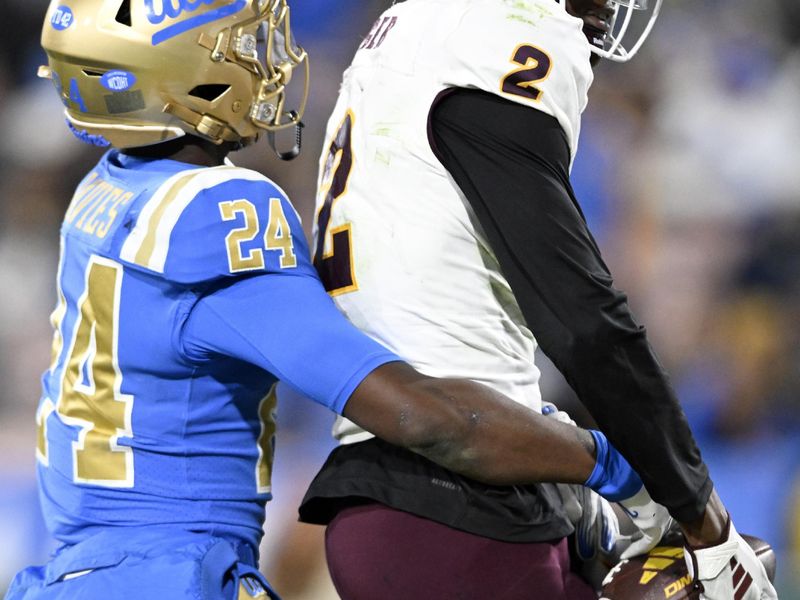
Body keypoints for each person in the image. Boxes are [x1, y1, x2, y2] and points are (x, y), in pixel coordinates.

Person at [6, 1, 670, 599]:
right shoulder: (217, 211)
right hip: (169, 575)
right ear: (177, 76)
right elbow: (423, 417)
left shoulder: (108, 192)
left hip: (82, 572)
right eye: (234, 46)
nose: (265, 59)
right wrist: (609, 463)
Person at [298, 0, 779, 598]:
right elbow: (582, 318)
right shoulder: (494, 39)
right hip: (457, 500)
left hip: (426, 491)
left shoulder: (417, 35)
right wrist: (703, 516)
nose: (608, 6)